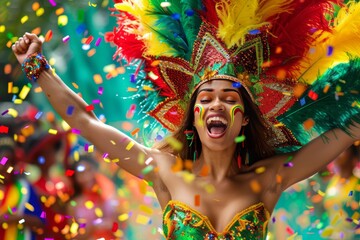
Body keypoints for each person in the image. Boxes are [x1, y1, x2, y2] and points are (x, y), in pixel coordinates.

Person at [11, 1, 360, 239]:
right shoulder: (163, 171)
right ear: (193, 118)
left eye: (229, 100)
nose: (216, 106)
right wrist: (37, 68)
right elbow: (87, 123)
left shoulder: (269, 178)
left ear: (245, 121)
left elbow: (345, 131)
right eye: (205, 100)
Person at [0, 135, 44, 239]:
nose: (8, 168)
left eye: (12, 162)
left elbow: (40, 222)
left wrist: (16, 219)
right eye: (3, 162)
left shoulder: (24, 189)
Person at [321, 144, 360, 239]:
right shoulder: (329, 184)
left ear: (353, 157)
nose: (337, 154)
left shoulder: (357, 186)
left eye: (343, 150)